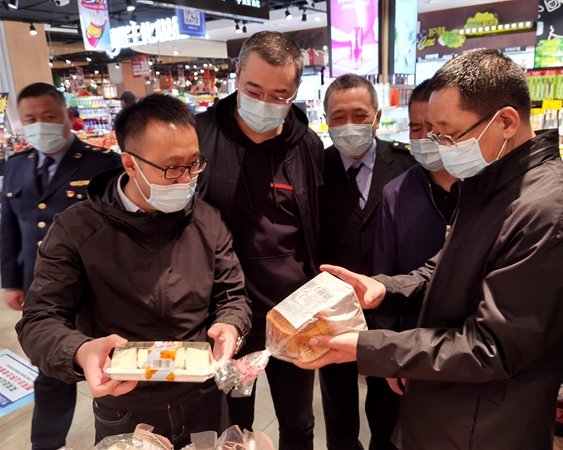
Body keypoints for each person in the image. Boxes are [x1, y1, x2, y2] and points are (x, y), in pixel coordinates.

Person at [297, 48, 563, 450]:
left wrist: (370, 347)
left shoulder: (553, 210)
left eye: (448, 134)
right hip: (443, 411)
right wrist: (385, 288)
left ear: (506, 122)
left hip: (486, 427)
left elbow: (492, 347)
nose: (438, 147)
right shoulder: (491, 184)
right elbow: (446, 270)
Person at [15, 94, 252, 449]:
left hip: (203, 397)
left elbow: (232, 296)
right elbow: (39, 319)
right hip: (126, 403)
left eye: (194, 164)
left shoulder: (207, 219)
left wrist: (231, 324)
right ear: (130, 164)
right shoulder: (77, 229)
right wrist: (81, 351)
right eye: (172, 168)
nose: (187, 178)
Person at [195, 31, 324, 450]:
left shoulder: (307, 146)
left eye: (279, 95)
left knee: (298, 420)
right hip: (225, 313)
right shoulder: (199, 137)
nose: (265, 102)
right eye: (253, 90)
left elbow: (317, 227)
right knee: (232, 425)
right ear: (236, 77)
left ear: (295, 92)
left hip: (292, 314)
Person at [1, 82, 122, 450]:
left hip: (95, 287)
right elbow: (9, 228)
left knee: (109, 366)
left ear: (68, 117)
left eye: (49, 117)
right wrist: (11, 280)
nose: (40, 125)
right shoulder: (16, 164)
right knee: (52, 369)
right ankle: (47, 444)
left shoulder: (103, 163)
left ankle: (120, 436)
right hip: (41, 288)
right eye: (30, 119)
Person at [318, 73, 415, 450]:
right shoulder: (315, 166)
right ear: (326, 120)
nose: (349, 124)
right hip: (332, 307)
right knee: (338, 406)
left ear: (377, 117)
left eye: (359, 115)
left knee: (388, 405)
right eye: (338, 116)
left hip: (390, 303)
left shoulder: (407, 165)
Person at [372, 79, 458, 345]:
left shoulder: (481, 186)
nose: (424, 137)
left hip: (469, 333)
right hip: (413, 335)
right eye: (415, 128)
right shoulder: (396, 193)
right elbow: (385, 271)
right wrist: (385, 345)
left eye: (432, 128)